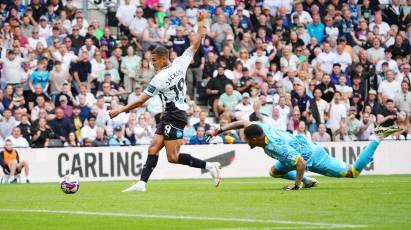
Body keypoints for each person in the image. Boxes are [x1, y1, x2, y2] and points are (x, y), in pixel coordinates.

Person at [109, 12, 221, 192]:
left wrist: (120, 110)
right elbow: (195, 45)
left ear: (163, 58)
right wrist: (201, 22)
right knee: (153, 149)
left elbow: (141, 101)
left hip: (175, 116)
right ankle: (141, 184)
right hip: (169, 115)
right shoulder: (179, 63)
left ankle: (210, 166)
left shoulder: (159, 78)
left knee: (173, 157)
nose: (152, 63)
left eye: (154, 60)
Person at [206, 120, 402, 190]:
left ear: (255, 139)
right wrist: (218, 131)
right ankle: (309, 181)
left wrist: (296, 185)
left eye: (247, 139)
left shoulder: (276, 146)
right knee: (274, 171)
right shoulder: (259, 130)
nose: (245, 141)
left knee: (352, 172)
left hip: (313, 156)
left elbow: (299, 164)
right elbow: (242, 122)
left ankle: (377, 137)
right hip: (295, 154)